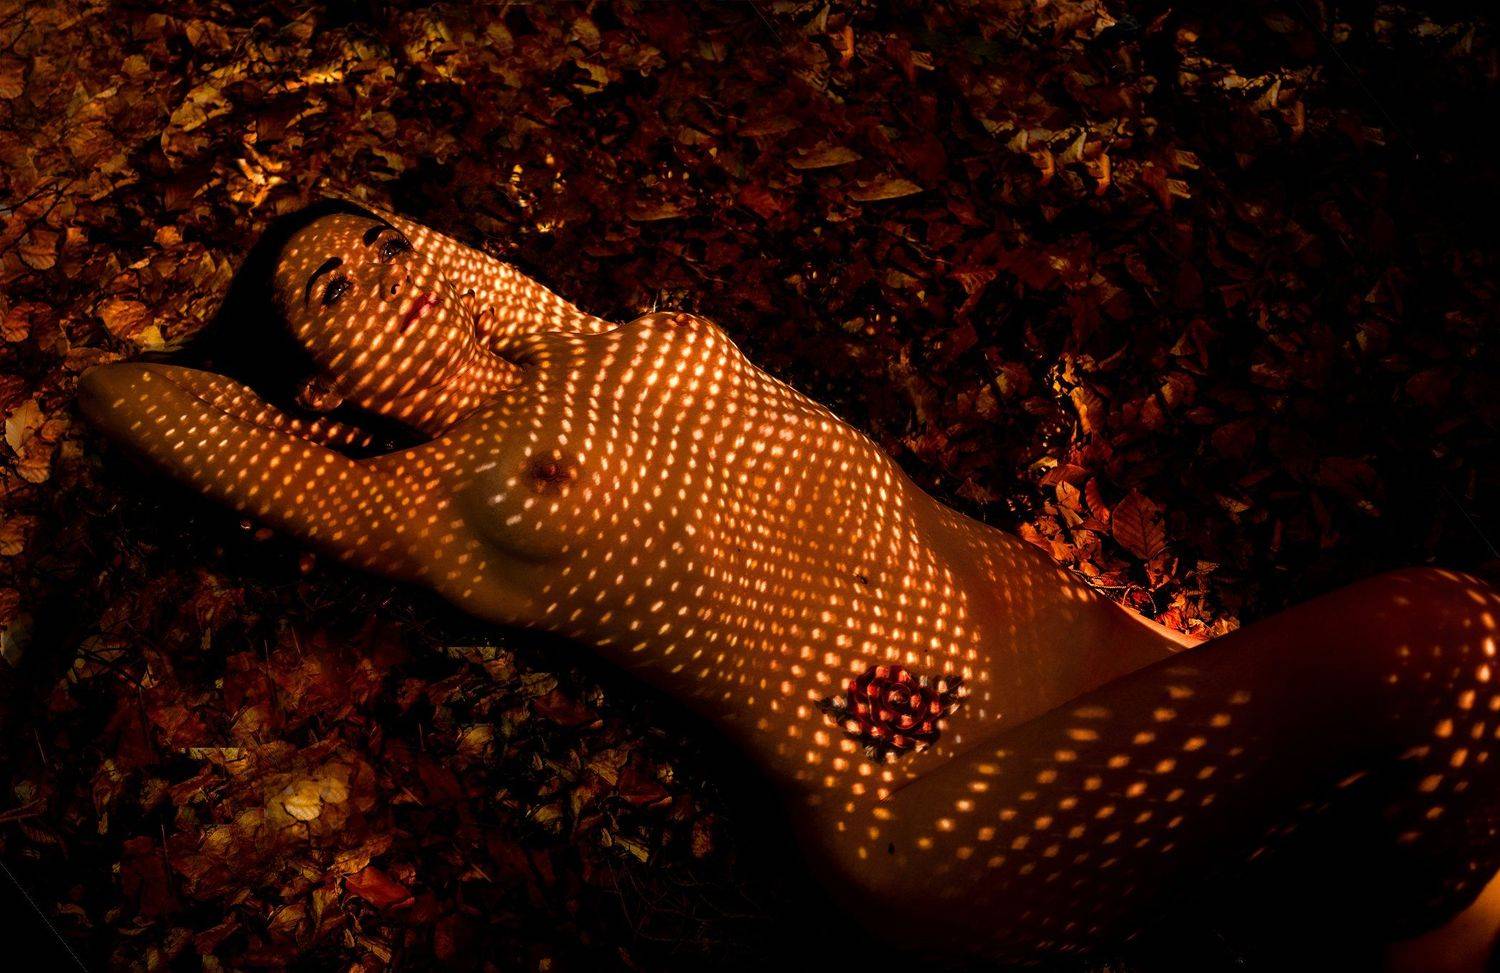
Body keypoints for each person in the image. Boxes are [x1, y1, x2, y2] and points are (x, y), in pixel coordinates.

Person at [76, 193, 1500, 970]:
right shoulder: (433, 496)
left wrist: (368, 240)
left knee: (1441, 798)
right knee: (1444, 636)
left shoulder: (578, 346)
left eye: (390, 248)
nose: (394, 278)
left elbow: (451, 272)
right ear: (322, 398)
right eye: (339, 294)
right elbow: (132, 399)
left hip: (1094, 662)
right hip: (943, 803)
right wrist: (282, 313)